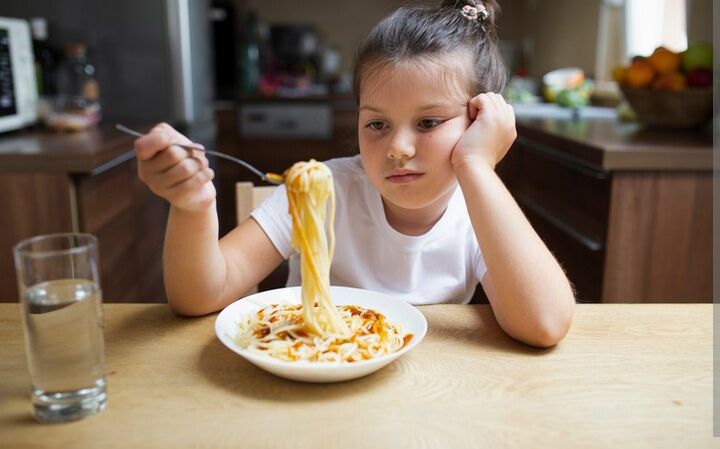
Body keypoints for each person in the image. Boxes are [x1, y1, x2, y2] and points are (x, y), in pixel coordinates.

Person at [134, 0, 575, 347]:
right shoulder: (324, 189)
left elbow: (545, 323)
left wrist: (477, 167)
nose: (398, 149)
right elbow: (200, 296)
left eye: (428, 123)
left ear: (479, 121)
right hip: (310, 374)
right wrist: (192, 205)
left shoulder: (478, 211)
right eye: (377, 124)